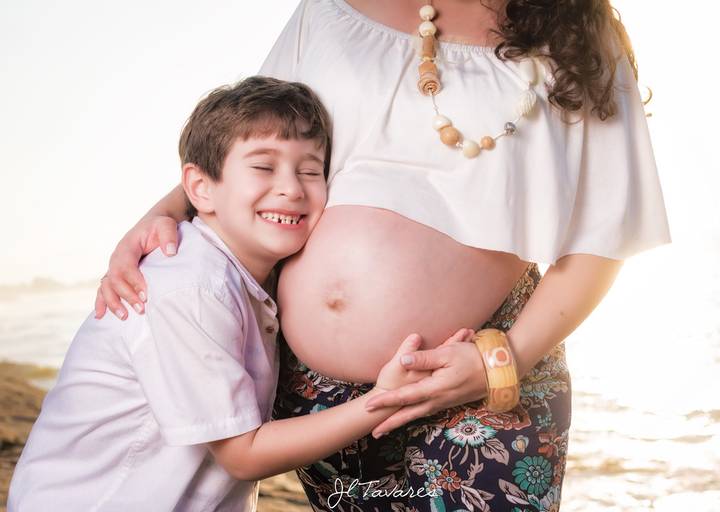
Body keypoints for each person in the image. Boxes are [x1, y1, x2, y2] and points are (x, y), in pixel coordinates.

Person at [94, 1, 671, 510]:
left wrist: (507, 359)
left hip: (478, 370)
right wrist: (164, 212)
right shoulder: (328, 9)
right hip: (312, 396)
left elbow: (605, 232)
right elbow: (245, 136)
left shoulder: (578, 35)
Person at [8, 76, 465, 511]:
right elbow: (242, 454)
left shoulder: (243, 273)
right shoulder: (191, 285)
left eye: (311, 170)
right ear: (201, 189)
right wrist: (383, 398)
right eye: (264, 167)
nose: (291, 188)